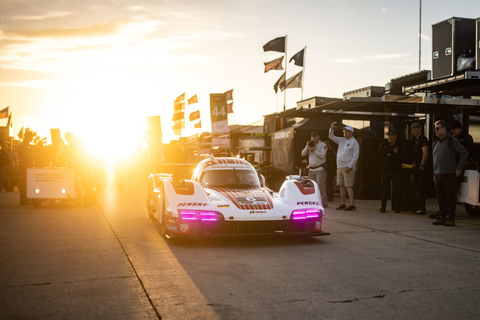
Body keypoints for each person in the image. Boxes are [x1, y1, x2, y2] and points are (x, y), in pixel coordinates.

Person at [432, 120, 468, 226]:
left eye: (438, 128)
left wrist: (459, 169)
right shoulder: (437, 142)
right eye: (435, 129)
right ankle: (442, 216)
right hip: (438, 175)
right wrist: (434, 173)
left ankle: (450, 218)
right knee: (440, 197)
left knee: (450, 197)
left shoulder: (452, 141)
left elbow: (464, 153)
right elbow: (435, 159)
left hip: (449, 174)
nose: (436, 131)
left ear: (444, 128)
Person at [329, 122, 359, 211]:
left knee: (348, 186)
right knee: (341, 185)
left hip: (347, 167)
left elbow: (356, 155)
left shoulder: (354, 142)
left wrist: (350, 166)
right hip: (339, 166)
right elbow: (331, 137)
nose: (344, 133)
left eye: (346, 131)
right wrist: (332, 128)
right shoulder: (342, 140)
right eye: (344, 131)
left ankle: (352, 204)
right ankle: (343, 203)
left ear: (351, 132)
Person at [377, 129, 403, 213]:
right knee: (384, 189)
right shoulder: (384, 144)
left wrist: (389, 154)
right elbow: (381, 152)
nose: (390, 137)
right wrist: (392, 152)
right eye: (389, 135)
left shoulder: (400, 145)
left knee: (397, 189)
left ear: (396, 136)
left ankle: (397, 207)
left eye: (392, 135)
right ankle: (383, 207)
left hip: (396, 171)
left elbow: (402, 155)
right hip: (385, 170)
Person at [301, 131, 328, 207]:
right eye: (312, 137)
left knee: (320, 186)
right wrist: (307, 147)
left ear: (318, 137)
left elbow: (322, 155)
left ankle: (323, 202)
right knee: (311, 186)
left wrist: (313, 150)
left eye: (315, 136)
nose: (313, 138)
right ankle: (313, 201)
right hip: (311, 169)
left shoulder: (323, 145)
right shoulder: (310, 144)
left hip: (320, 168)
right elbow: (303, 154)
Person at [411, 122, 429, 215]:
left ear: (419, 129)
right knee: (416, 187)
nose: (412, 131)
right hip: (416, 166)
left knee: (421, 188)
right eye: (411, 129)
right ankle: (417, 207)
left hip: (420, 167)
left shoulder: (423, 139)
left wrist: (422, 164)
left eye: (414, 129)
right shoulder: (416, 140)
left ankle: (422, 208)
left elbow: (425, 152)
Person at [17, 130, 35, 204]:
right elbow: (25, 156)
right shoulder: (24, 145)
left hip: (26, 166)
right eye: (31, 136)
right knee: (25, 183)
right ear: (28, 136)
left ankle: (25, 199)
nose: (32, 138)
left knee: (26, 182)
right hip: (25, 166)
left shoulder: (26, 144)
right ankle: (24, 200)